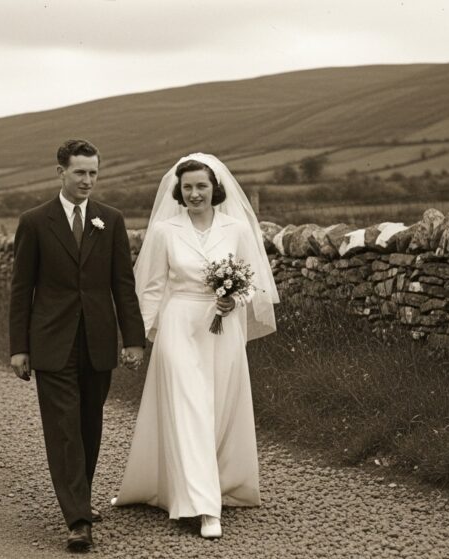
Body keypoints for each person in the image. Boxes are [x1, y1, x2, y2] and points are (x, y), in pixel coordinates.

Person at [111, 153, 279, 539]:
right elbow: (151, 286)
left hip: (223, 330)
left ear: (215, 188)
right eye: (187, 187)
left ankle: (201, 486)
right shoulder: (165, 231)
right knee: (190, 409)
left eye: (201, 185)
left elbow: (253, 283)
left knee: (216, 409)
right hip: (178, 326)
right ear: (178, 190)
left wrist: (233, 299)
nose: (194, 193)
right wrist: (140, 338)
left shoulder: (236, 228)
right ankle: (204, 507)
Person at [8, 139, 146, 553]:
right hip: (51, 343)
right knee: (64, 428)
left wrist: (134, 339)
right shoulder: (34, 222)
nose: (87, 180)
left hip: (98, 342)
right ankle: (78, 521)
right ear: (60, 173)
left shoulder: (111, 220)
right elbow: (21, 290)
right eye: (80, 172)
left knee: (89, 425)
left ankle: (78, 497)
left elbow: (123, 284)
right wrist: (19, 346)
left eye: (93, 173)